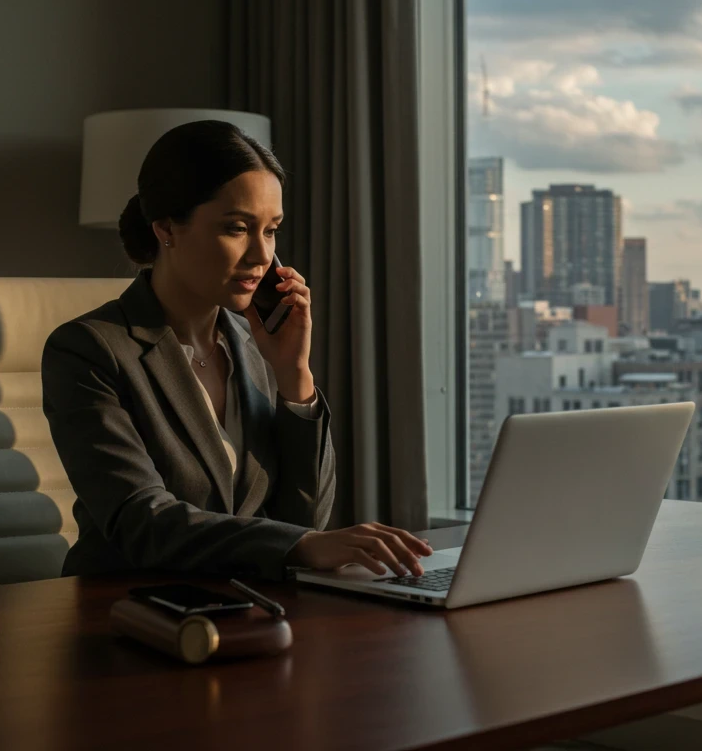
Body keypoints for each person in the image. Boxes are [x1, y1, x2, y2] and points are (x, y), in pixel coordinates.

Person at [42, 120, 430, 581]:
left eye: (271, 231)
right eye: (237, 228)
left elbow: (305, 521)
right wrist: (303, 545)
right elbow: (140, 521)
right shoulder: (89, 350)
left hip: (247, 608)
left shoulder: (256, 348)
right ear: (167, 227)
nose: (261, 255)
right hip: (127, 613)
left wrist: (295, 377)